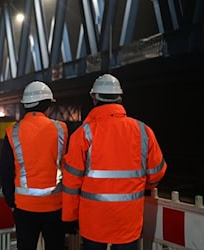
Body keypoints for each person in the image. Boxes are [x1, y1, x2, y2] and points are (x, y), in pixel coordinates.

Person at [61, 73, 167, 249]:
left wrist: (69, 217)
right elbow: (157, 174)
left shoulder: (82, 134)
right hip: (128, 220)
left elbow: (71, 183)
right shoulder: (143, 131)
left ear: (94, 98)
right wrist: (143, 186)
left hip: (94, 221)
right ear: (120, 98)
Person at [0, 80, 69, 250]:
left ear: (25, 106)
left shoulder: (12, 132)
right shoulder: (61, 129)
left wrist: (11, 202)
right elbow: (68, 165)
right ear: (47, 105)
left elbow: (5, 171)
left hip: (24, 207)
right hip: (55, 206)